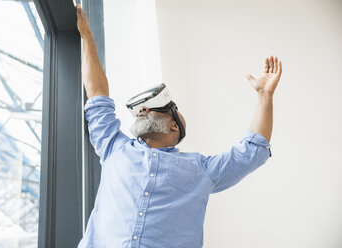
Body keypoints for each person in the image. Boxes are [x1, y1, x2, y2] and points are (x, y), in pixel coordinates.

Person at [75, 4, 282, 248]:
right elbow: (97, 94)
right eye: (141, 108)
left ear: (174, 126)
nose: (142, 110)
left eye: (151, 108)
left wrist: (264, 97)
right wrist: (87, 35)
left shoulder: (200, 169)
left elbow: (252, 151)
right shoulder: (113, 147)